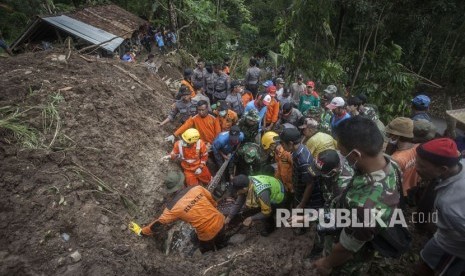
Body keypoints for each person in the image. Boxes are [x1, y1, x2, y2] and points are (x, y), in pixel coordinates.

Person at [312, 116, 401, 275]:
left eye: (342, 152)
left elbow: (346, 249)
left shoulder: (366, 207)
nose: (340, 155)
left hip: (347, 263)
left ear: (356, 155)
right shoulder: (390, 163)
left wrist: (326, 263)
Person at [133, 171, 226, 253]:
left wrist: (142, 232)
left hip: (207, 234)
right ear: (182, 182)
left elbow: (158, 224)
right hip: (220, 221)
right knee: (222, 244)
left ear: (170, 191)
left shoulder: (172, 208)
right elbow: (213, 200)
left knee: (207, 252)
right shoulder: (197, 188)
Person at [413, 138, 465, 276]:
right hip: (442, 236)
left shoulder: (450, 205)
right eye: (416, 161)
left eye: (422, 165)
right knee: (424, 260)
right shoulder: (461, 164)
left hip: (452, 249)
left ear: (443, 169)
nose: (416, 167)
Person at [278, 128, 324, 213]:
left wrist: (302, 204)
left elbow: (310, 184)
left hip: (310, 201)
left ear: (290, 143)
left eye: (282, 143)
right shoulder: (300, 149)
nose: (281, 146)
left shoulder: (303, 161)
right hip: (300, 192)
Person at [385, 117, 420, 197]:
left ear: (395, 136)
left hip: (400, 193)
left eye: (390, 134)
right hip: (411, 190)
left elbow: (388, 183)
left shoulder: (396, 159)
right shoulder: (418, 147)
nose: (389, 136)